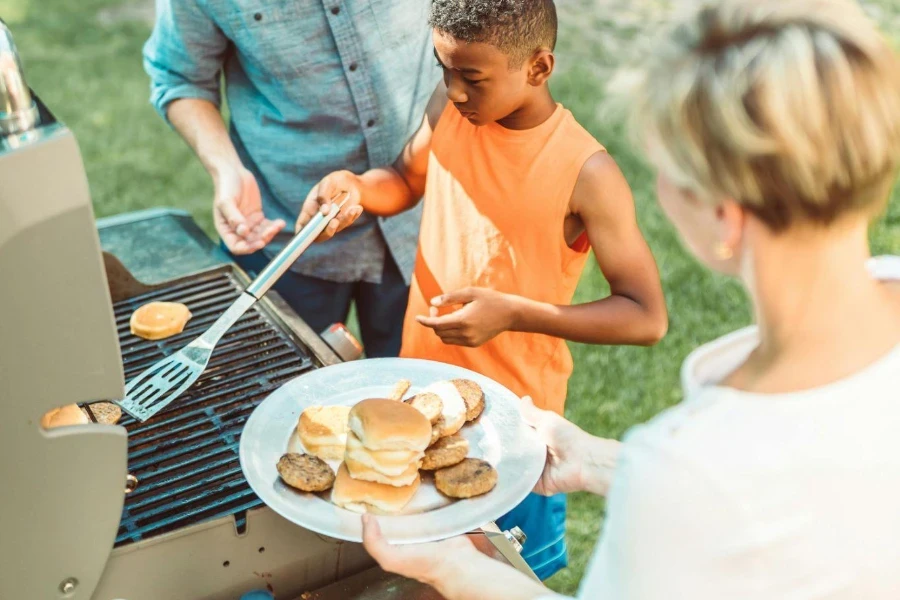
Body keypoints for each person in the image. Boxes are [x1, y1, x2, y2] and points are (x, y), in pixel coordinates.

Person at [357, 0, 900, 597]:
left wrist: (451, 569)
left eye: (665, 167)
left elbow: (697, 481)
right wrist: (603, 463)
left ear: (723, 217)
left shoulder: (681, 469)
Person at [298, 0, 668, 580]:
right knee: (419, 575)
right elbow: (402, 180)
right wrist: (356, 189)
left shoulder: (586, 172)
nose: (455, 90)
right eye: (444, 68)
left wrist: (515, 314)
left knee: (503, 577)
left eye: (472, 77)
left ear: (539, 68)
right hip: (422, 396)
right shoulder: (448, 109)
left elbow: (645, 316)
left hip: (518, 426)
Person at [143, 1, 440, 358]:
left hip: (427, 217)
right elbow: (179, 76)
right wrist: (227, 170)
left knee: (416, 397)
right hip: (285, 231)